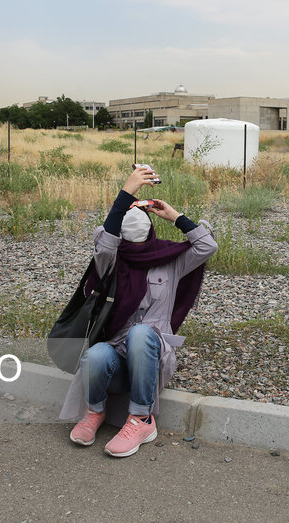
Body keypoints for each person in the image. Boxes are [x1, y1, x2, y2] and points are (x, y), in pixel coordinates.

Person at [60, 166, 218, 458]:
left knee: (141, 333)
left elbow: (207, 246)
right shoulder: (111, 259)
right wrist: (126, 193)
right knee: (95, 354)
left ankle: (142, 419)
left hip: (152, 355)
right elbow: (106, 237)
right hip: (118, 357)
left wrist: (176, 217)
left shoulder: (170, 259)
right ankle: (95, 412)